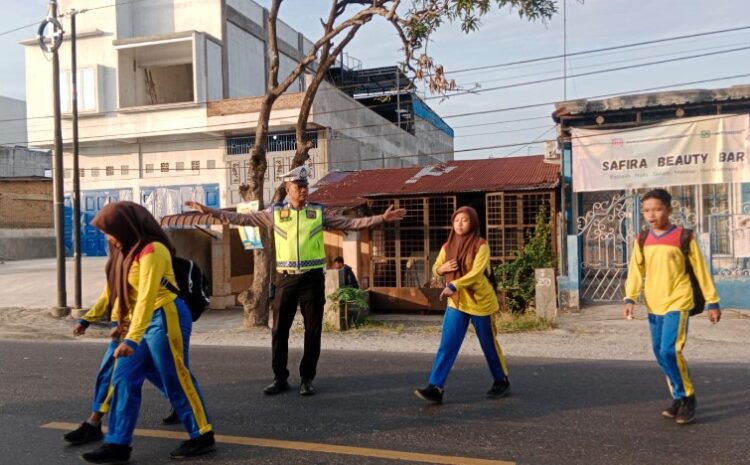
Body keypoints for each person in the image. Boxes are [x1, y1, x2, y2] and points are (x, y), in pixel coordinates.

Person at [185, 165, 406, 396]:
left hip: (312, 280)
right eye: (299, 186)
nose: (303, 190)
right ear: (288, 188)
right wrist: (211, 211)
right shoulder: (275, 213)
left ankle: (307, 378)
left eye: (305, 185)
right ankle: (280, 377)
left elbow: (350, 224)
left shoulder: (318, 213)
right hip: (286, 279)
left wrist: (381, 218)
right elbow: (242, 218)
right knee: (280, 329)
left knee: (313, 330)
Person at [81, 201, 215, 464]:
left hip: (165, 315)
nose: (107, 237)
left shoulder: (153, 250)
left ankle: (201, 434)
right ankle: (118, 444)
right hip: (139, 321)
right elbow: (118, 294)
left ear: (124, 226)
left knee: (174, 375)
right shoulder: (126, 253)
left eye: (109, 230)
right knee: (123, 377)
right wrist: (90, 319)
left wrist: (131, 337)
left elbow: (147, 297)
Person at [624, 188, 721, 425]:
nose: (651, 214)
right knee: (660, 352)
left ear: (669, 209)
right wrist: (630, 298)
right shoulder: (642, 239)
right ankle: (677, 397)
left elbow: (700, 270)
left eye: (657, 209)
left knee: (670, 350)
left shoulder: (683, 237)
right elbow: (636, 271)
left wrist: (713, 301)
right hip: (654, 303)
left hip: (679, 301)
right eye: (646, 210)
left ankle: (688, 398)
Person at [63, 255, 175, 447]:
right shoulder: (118, 262)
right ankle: (95, 424)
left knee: (119, 374)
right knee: (139, 371)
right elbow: (107, 295)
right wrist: (86, 320)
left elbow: (144, 298)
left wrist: (130, 328)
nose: (110, 239)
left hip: (134, 326)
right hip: (121, 325)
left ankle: (97, 425)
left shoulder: (144, 258)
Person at [414, 206, 510, 404]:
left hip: (480, 302)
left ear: (473, 222)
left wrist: (453, 284)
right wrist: (441, 269)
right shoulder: (447, 247)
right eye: (456, 220)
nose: (459, 224)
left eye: (464, 220)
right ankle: (436, 387)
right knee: (447, 345)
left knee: (488, 344)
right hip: (457, 303)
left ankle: (501, 380)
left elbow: (476, 274)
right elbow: (435, 268)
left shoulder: (481, 245)